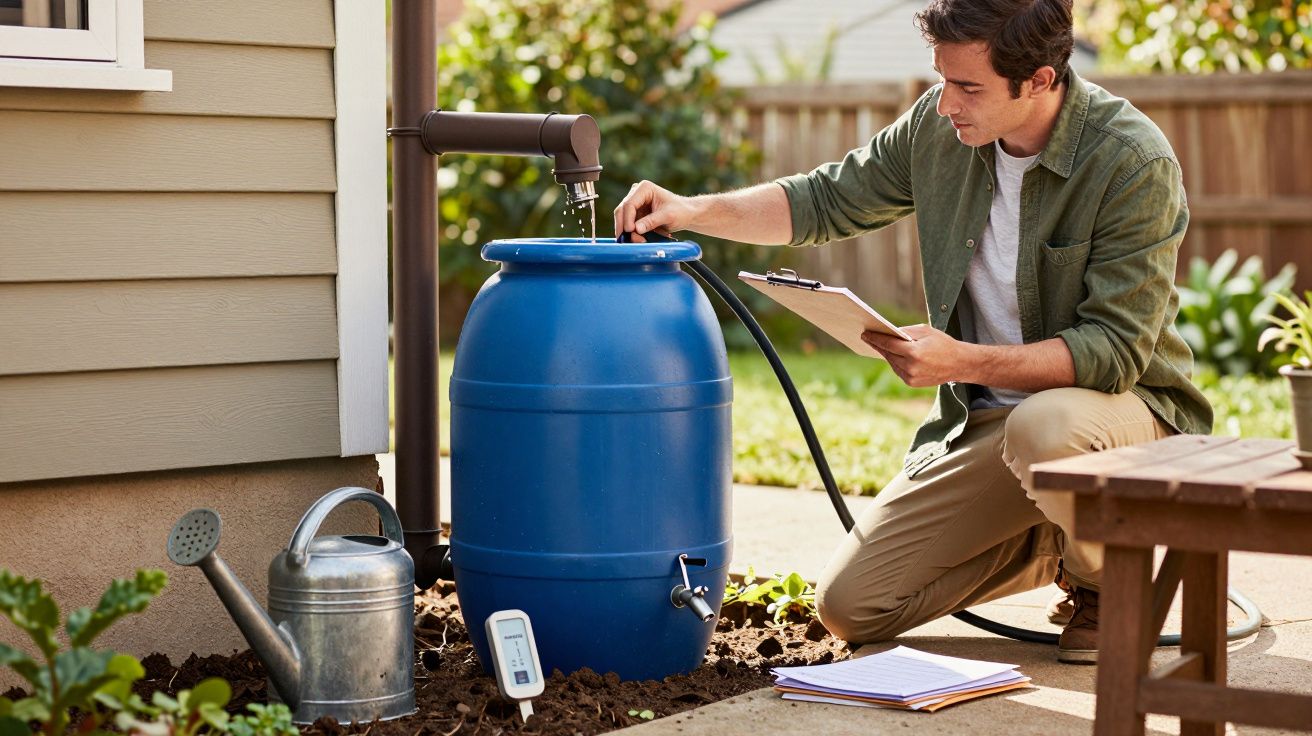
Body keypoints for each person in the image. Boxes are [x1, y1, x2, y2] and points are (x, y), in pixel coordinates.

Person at [613, 0, 1213, 663]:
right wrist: (692, 209)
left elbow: (1115, 352)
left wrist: (961, 361)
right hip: (994, 426)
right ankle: (1062, 541)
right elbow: (823, 200)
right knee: (853, 605)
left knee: (1045, 429)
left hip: (1123, 417)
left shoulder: (1130, 160)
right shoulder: (940, 131)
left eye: (969, 87)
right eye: (941, 77)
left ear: (1040, 80)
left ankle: (1108, 583)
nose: (945, 102)